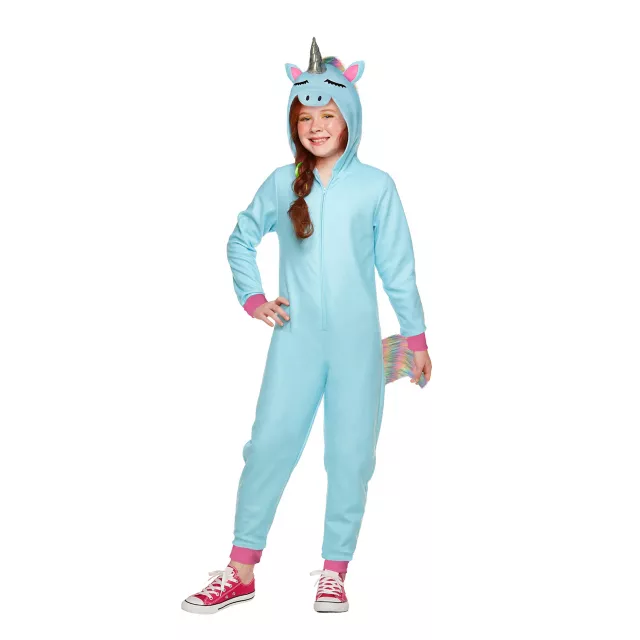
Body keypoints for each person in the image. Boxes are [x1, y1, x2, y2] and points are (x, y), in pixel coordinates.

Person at [181, 37, 432, 615]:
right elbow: (241, 238)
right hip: (293, 342)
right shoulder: (280, 181)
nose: (316, 127)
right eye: (305, 118)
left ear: (350, 119)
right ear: (293, 124)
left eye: (328, 115)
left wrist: (415, 339)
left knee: (351, 455)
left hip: (358, 348)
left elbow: (398, 268)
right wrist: (253, 298)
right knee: (268, 446)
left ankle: (334, 572)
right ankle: (240, 571)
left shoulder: (377, 186)